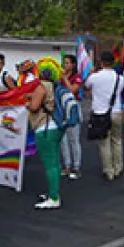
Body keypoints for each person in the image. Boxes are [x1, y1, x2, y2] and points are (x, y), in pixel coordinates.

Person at [27, 57, 63, 209]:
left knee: (49, 164)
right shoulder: (55, 86)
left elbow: (35, 106)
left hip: (44, 127)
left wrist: (28, 103)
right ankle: (54, 192)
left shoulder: (41, 87)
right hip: (55, 127)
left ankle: (54, 198)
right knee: (55, 162)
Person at [85, 52, 124, 181]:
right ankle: (118, 167)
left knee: (104, 143)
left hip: (100, 112)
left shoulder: (95, 77)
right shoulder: (120, 78)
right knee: (117, 141)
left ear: (101, 62)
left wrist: (91, 72)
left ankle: (108, 171)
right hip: (116, 111)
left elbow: (86, 86)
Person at [60, 55, 83, 179]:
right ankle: (67, 165)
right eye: (65, 63)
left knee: (74, 139)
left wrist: (65, 78)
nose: (65, 65)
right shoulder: (60, 78)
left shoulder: (77, 77)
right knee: (63, 139)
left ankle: (76, 166)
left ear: (73, 65)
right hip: (62, 108)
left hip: (73, 107)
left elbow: (73, 89)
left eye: (68, 63)